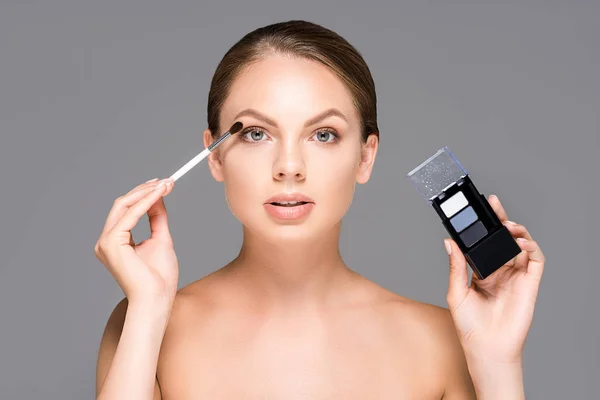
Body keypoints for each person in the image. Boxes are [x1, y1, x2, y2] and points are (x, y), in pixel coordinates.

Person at [94, 20, 545, 399]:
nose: (289, 167)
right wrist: (149, 309)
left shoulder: (441, 342)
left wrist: (497, 364)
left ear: (365, 156)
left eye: (323, 134)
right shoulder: (143, 323)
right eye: (255, 133)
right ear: (215, 154)